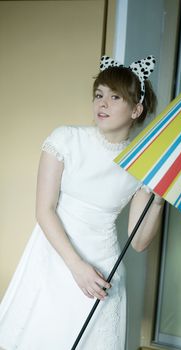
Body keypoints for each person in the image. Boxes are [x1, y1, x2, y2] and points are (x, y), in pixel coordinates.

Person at [0, 55, 164, 350]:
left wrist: (158, 202)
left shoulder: (142, 164)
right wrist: (77, 267)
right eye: (99, 95)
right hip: (54, 260)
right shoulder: (65, 139)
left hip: (104, 272)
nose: (103, 103)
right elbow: (44, 210)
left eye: (115, 97)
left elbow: (138, 242)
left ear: (136, 109)